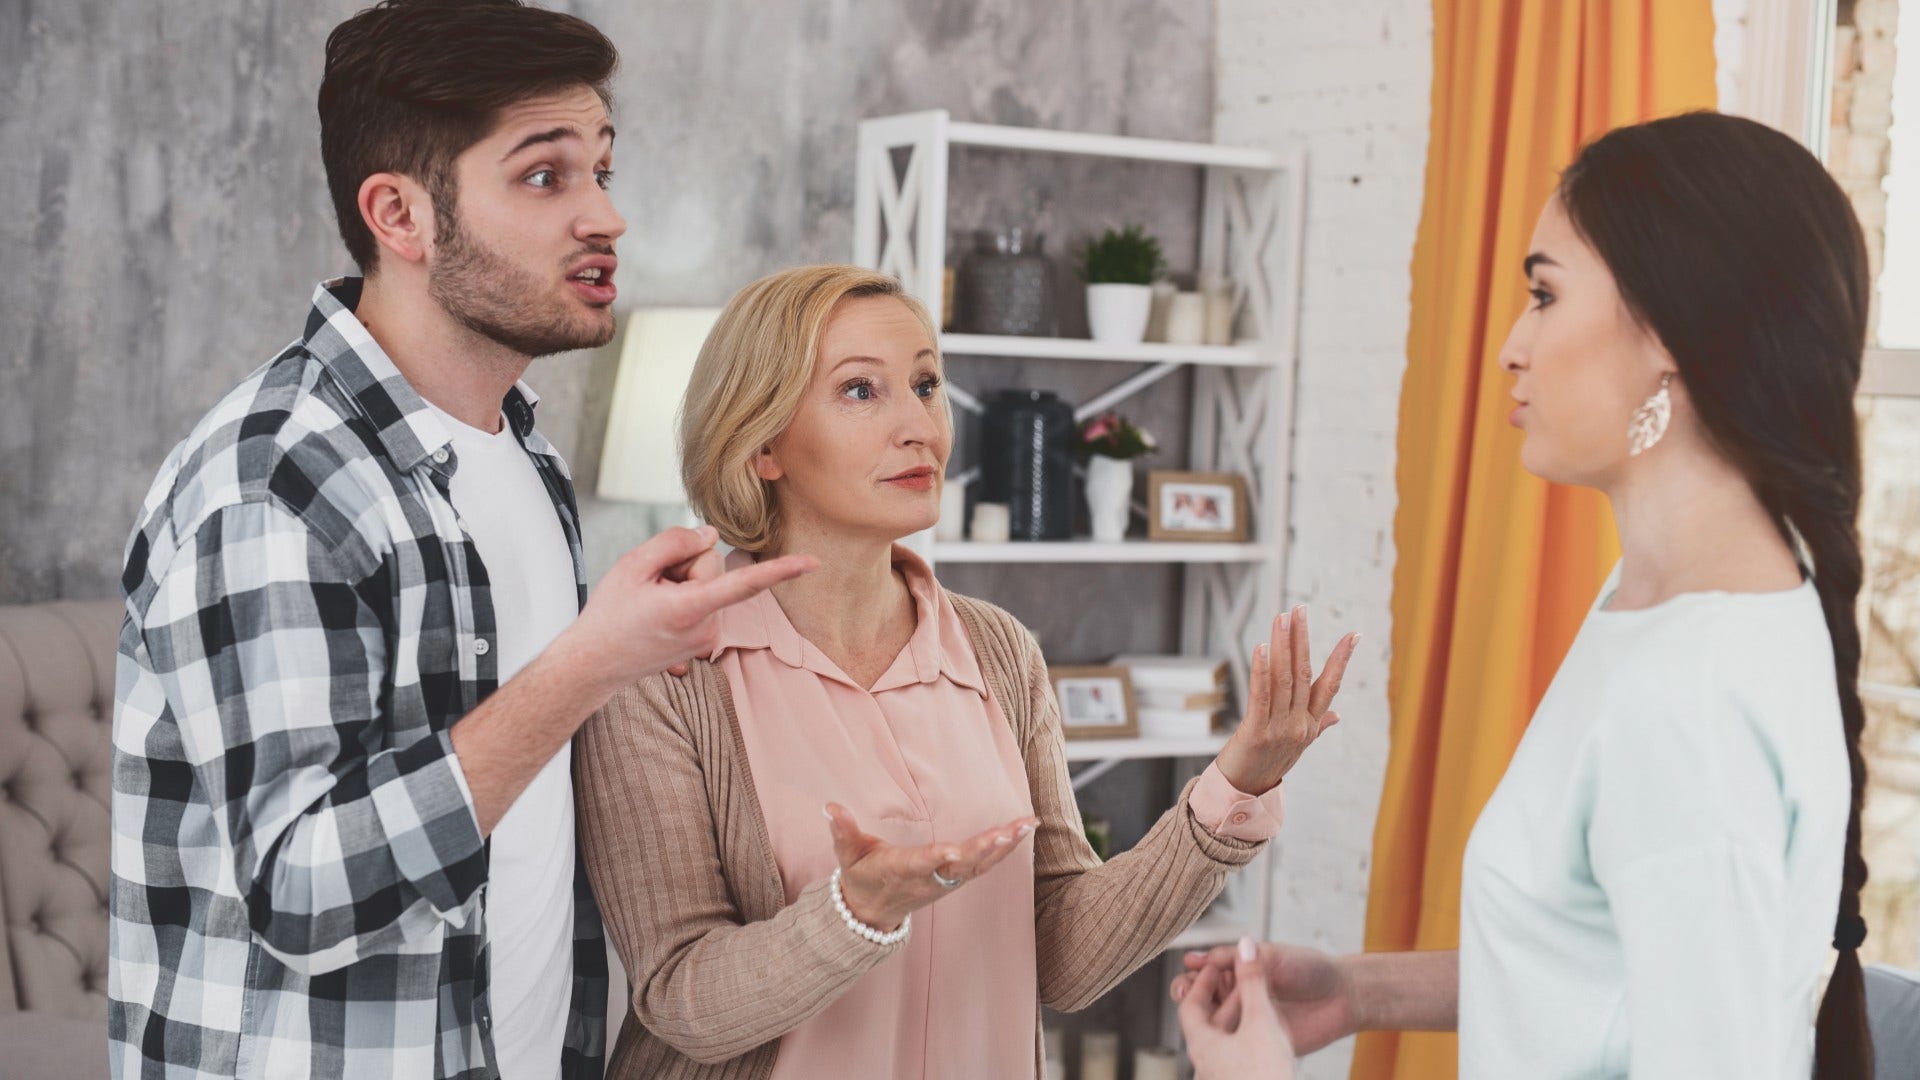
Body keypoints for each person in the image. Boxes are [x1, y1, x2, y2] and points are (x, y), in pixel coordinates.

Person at [107, 3, 812, 1078]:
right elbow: (302, 890)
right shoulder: (274, 485)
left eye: (603, 170)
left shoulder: (523, 457)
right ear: (399, 213)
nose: (606, 218)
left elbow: (516, 809)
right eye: (545, 177)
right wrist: (589, 663)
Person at [1174, 110, 1871, 1078]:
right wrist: (1362, 991)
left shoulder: (1688, 696)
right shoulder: (1663, 599)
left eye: (1545, 296)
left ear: (1672, 328)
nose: (1512, 345)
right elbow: (1621, 962)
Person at [573, 264, 1361, 1079]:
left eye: (925, 385)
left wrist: (1237, 786)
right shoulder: (662, 672)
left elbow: (1061, 955)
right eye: (859, 391)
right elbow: (679, 998)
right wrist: (856, 914)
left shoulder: (999, 650)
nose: (921, 426)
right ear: (762, 442)